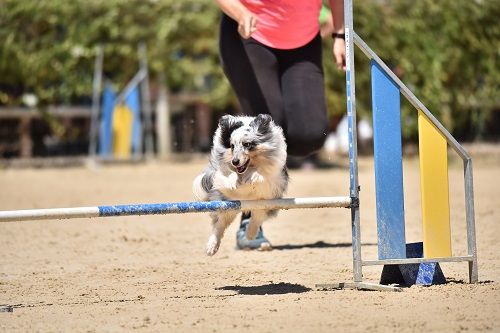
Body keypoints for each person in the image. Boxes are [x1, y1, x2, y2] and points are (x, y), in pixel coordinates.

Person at [214, 0, 346, 250]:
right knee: (264, 135)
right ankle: (250, 222)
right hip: (249, 35)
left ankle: (264, 169)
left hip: (304, 41)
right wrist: (240, 12)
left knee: (309, 135)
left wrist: (340, 34)